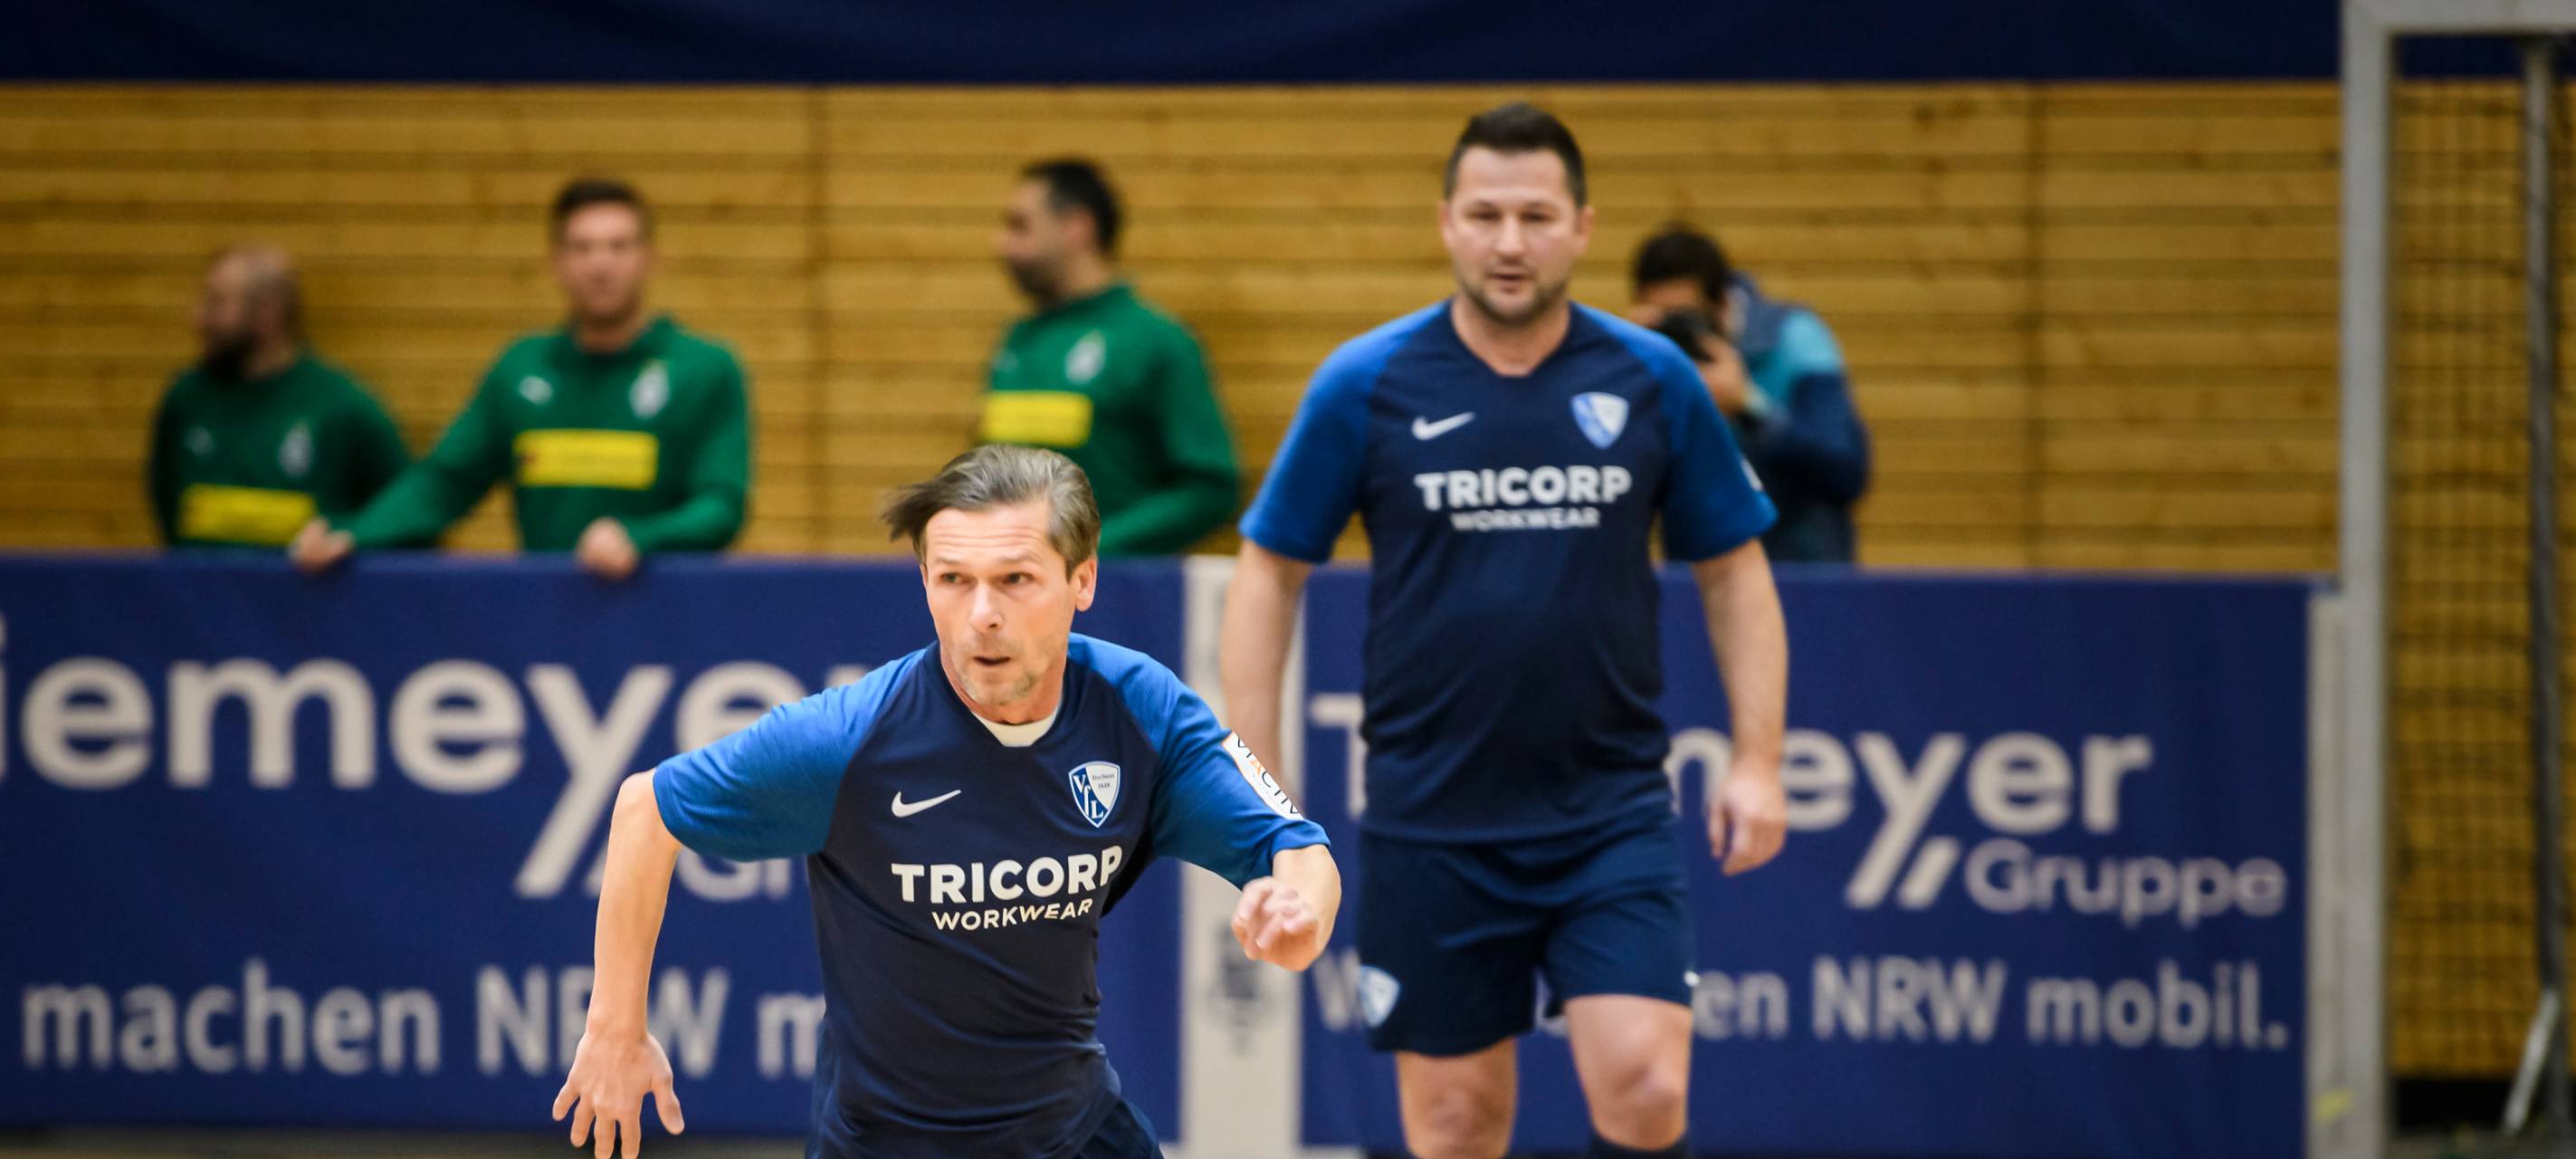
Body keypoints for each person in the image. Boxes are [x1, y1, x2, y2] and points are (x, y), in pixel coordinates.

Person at [1218, 103, 1789, 1159]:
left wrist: (1758, 759)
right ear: (1446, 223)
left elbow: (1734, 570)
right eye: (1485, 214)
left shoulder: (1653, 379)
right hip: (1429, 817)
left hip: (1606, 811)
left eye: (1535, 214)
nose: (1509, 241)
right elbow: (1266, 573)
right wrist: (1265, 797)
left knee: (1645, 1081)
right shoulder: (1364, 382)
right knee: (1452, 1121)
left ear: (1581, 227)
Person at [551, 445, 1339, 1159]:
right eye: (953, 581)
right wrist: (615, 1027)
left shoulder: (1143, 711)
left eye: (1016, 580)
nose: (982, 615)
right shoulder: (850, 739)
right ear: (925, 583)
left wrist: (1299, 917)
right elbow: (643, 810)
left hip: (1075, 1132)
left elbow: (1297, 846)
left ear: (1083, 579)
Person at [290, 178, 749, 580]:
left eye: (618, 246)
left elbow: (722, 505)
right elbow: (446, 482)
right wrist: (358, 532)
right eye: (582, 247)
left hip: (669, 618)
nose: (600, 264)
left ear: (650, 259)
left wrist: (640, 537)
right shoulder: (520, 369)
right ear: (557, 263)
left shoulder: (705, 369)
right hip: (544, 614)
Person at [982, 158, 1240, 556]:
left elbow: (1211, 487)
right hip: (1012, 594)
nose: (1001, 245)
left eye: (1020, 226)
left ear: (1076, 228)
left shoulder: (1158, 342)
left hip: (1115, 596)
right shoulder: (1018, 342)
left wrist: (1095, 548)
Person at [1630, 224, 1869, 563]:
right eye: (1666, 321)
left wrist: (1748, 405)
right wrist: (1629, 377)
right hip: (1698, 578)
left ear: (1722, 303)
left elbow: (1844, 472)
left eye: (1686, 318)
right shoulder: (1654, 365)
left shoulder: (1797, 340)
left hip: (1803, 579)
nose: (1678, 333)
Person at [146, 244, 411, 549]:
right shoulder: (185, 401)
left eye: (216, 304)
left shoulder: (345, 408)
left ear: (268, 313)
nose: (199, 319)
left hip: (307, 596)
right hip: (200, 594)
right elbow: (165, 502)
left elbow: (403, 516)